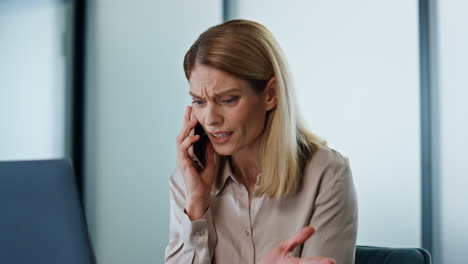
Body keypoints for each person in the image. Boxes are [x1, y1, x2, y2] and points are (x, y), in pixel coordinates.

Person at [165, 19, 358, 264]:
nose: (210, 119)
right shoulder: (188, 179)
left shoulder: (327, 173)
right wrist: (196, 206)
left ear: (270, 94)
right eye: (199, 102)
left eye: (228, 100)